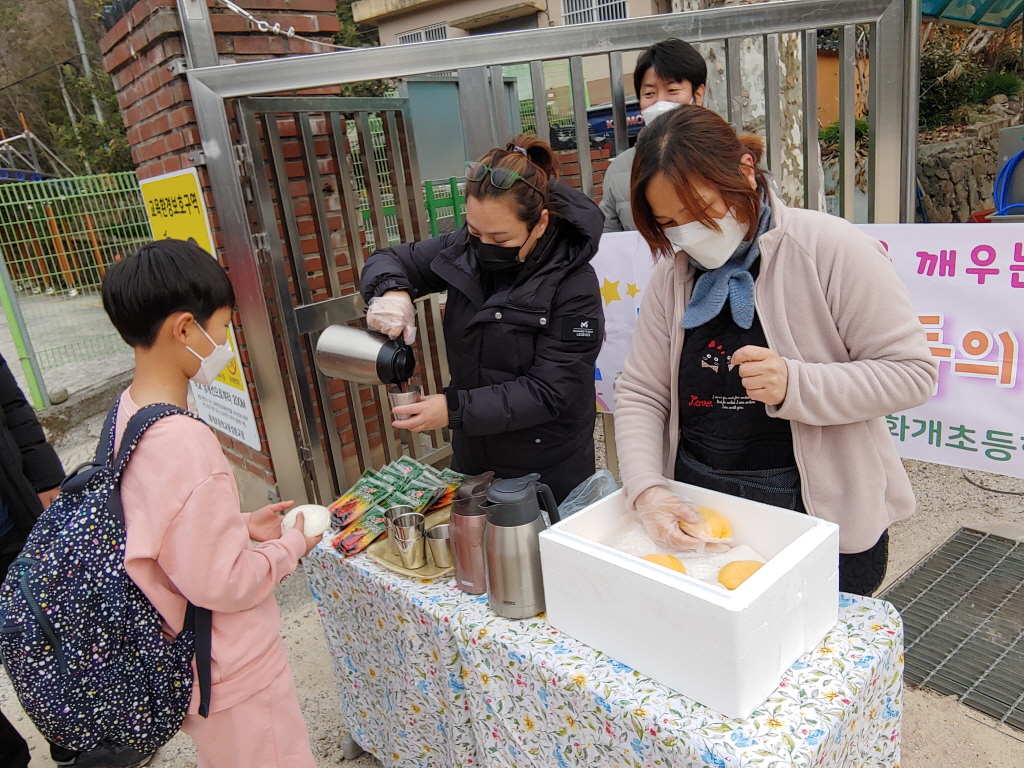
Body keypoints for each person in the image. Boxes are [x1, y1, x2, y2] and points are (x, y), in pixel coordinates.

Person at [614, 106, 938, 596]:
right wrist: (649, 491)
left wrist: (797, 383)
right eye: (668, 222)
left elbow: (912, 373)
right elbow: (642, 392)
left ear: (744, 171)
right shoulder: (674, 275)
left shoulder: (831, 248)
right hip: (703, 501)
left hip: (814, 511)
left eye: (698, 211)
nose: (685, 234)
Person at [100, 239, 322, 768]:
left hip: (186, 654)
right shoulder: (185, 440)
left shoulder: (128, 414)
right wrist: (293, 545)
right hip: (231, 662)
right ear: (183, 329)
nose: (224, 342)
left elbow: (162, 528)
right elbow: (226, 583)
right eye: (221, 328)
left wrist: (241, 525)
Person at [360, 136, 604, 503]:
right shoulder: (464, 250)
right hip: (473, 456)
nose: (484, 246)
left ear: (539, 224)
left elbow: (551, 390)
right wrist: (393, 292)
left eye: (500, 237)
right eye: (475, 232)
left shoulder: (574, 283)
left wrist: (454, 409)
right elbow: (391, 258)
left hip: (547, 463)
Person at [600, 38, 708, 232]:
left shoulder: (730, 155)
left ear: (698, 95)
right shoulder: (620, 170)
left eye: (672, 90)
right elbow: (609, 241)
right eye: (649, 94)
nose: (660, 102)